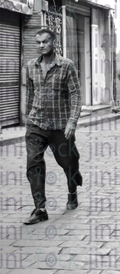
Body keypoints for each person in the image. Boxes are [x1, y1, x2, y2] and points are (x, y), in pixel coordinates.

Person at [24, 29, 83, 225]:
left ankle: (72, 191)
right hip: (36, 124)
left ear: (54, 43)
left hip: (60, 126)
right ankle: (40, 208)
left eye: (45, 42)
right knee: (33, 163)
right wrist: (27, 118)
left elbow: (75, 95)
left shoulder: (66, 66)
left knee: (68, 163)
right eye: (38, 42)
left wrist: (72, 121)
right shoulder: (31, 66)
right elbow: (30, 95)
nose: (41, 45)